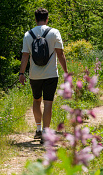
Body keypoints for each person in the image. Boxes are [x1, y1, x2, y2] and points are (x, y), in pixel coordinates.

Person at [19, 8, 68, 144]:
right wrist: (66, 71)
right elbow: (60, 54)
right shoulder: (54, 32)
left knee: (36, 100)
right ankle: (46, 133)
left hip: (34, 75)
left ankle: (38, 129)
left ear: (35, 19)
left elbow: (25, 56)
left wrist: (22, 73)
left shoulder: (28, 35)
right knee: (48, 103)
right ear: (47, 19)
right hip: (51, 74)